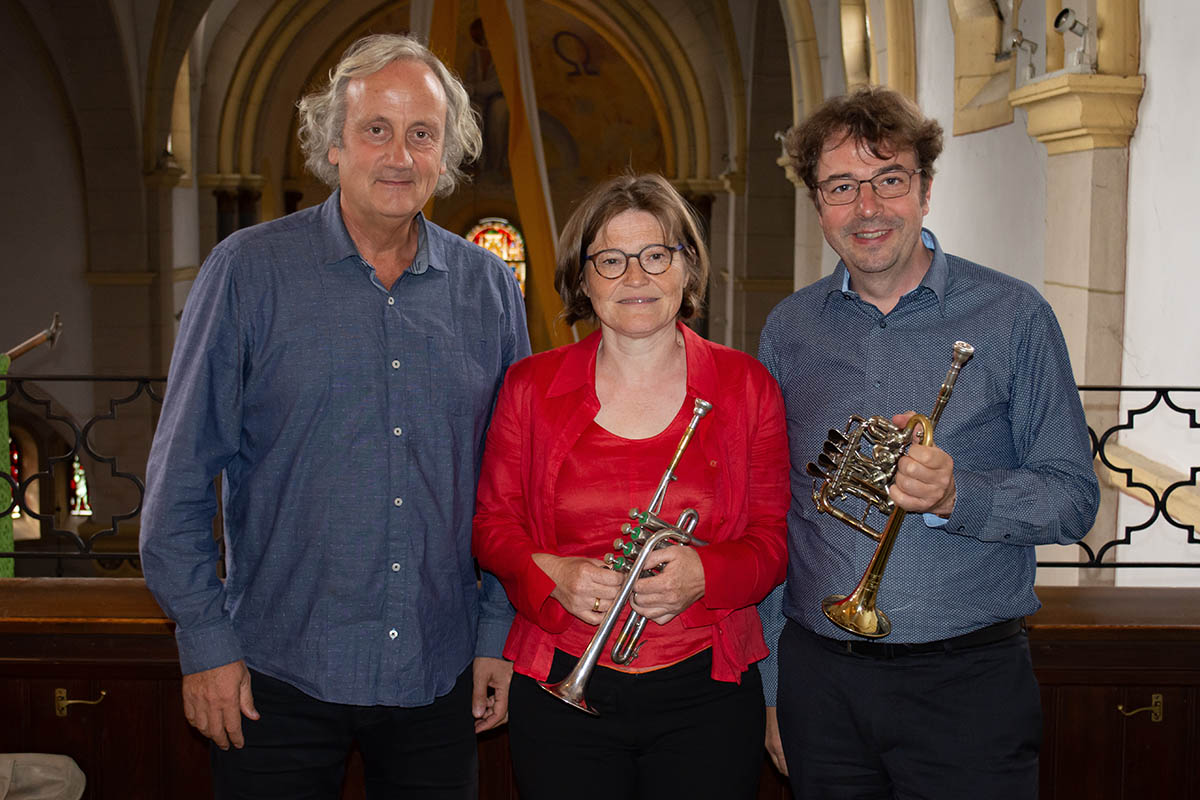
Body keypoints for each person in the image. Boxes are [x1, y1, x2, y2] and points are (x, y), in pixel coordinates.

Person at [139, 33, 530, 799]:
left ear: (446, 155)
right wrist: (205, 641)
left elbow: (511, 487)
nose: (398, 155)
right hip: (275, 670)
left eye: (422, 134)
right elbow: (181, 475)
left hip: (437, 669)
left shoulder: (489, 290)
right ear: (330, 144)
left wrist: (497, 632)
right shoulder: (247, 272)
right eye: (375, 129)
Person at [757, 87, 1100, 799]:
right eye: (842, 187)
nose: (868, 207)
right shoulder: (790, 330)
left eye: (890, 180)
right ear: (817, 204)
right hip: (821, 682)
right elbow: (775, 510)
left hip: (966, 684)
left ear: (925, 190)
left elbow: (1073, 497)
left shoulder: (1013, 317)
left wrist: (957, 494)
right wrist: (773, 685)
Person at [472, 173, 789, 800]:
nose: (635, 278)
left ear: (687, 270)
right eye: (610, 261)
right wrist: (554, 574)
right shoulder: (530, 387)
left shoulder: (746, 386)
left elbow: (772, 543)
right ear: (582, 279)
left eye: (656, 255)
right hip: (560, 676)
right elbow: (490, 527)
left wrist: (705, 575)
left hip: (709, 690)